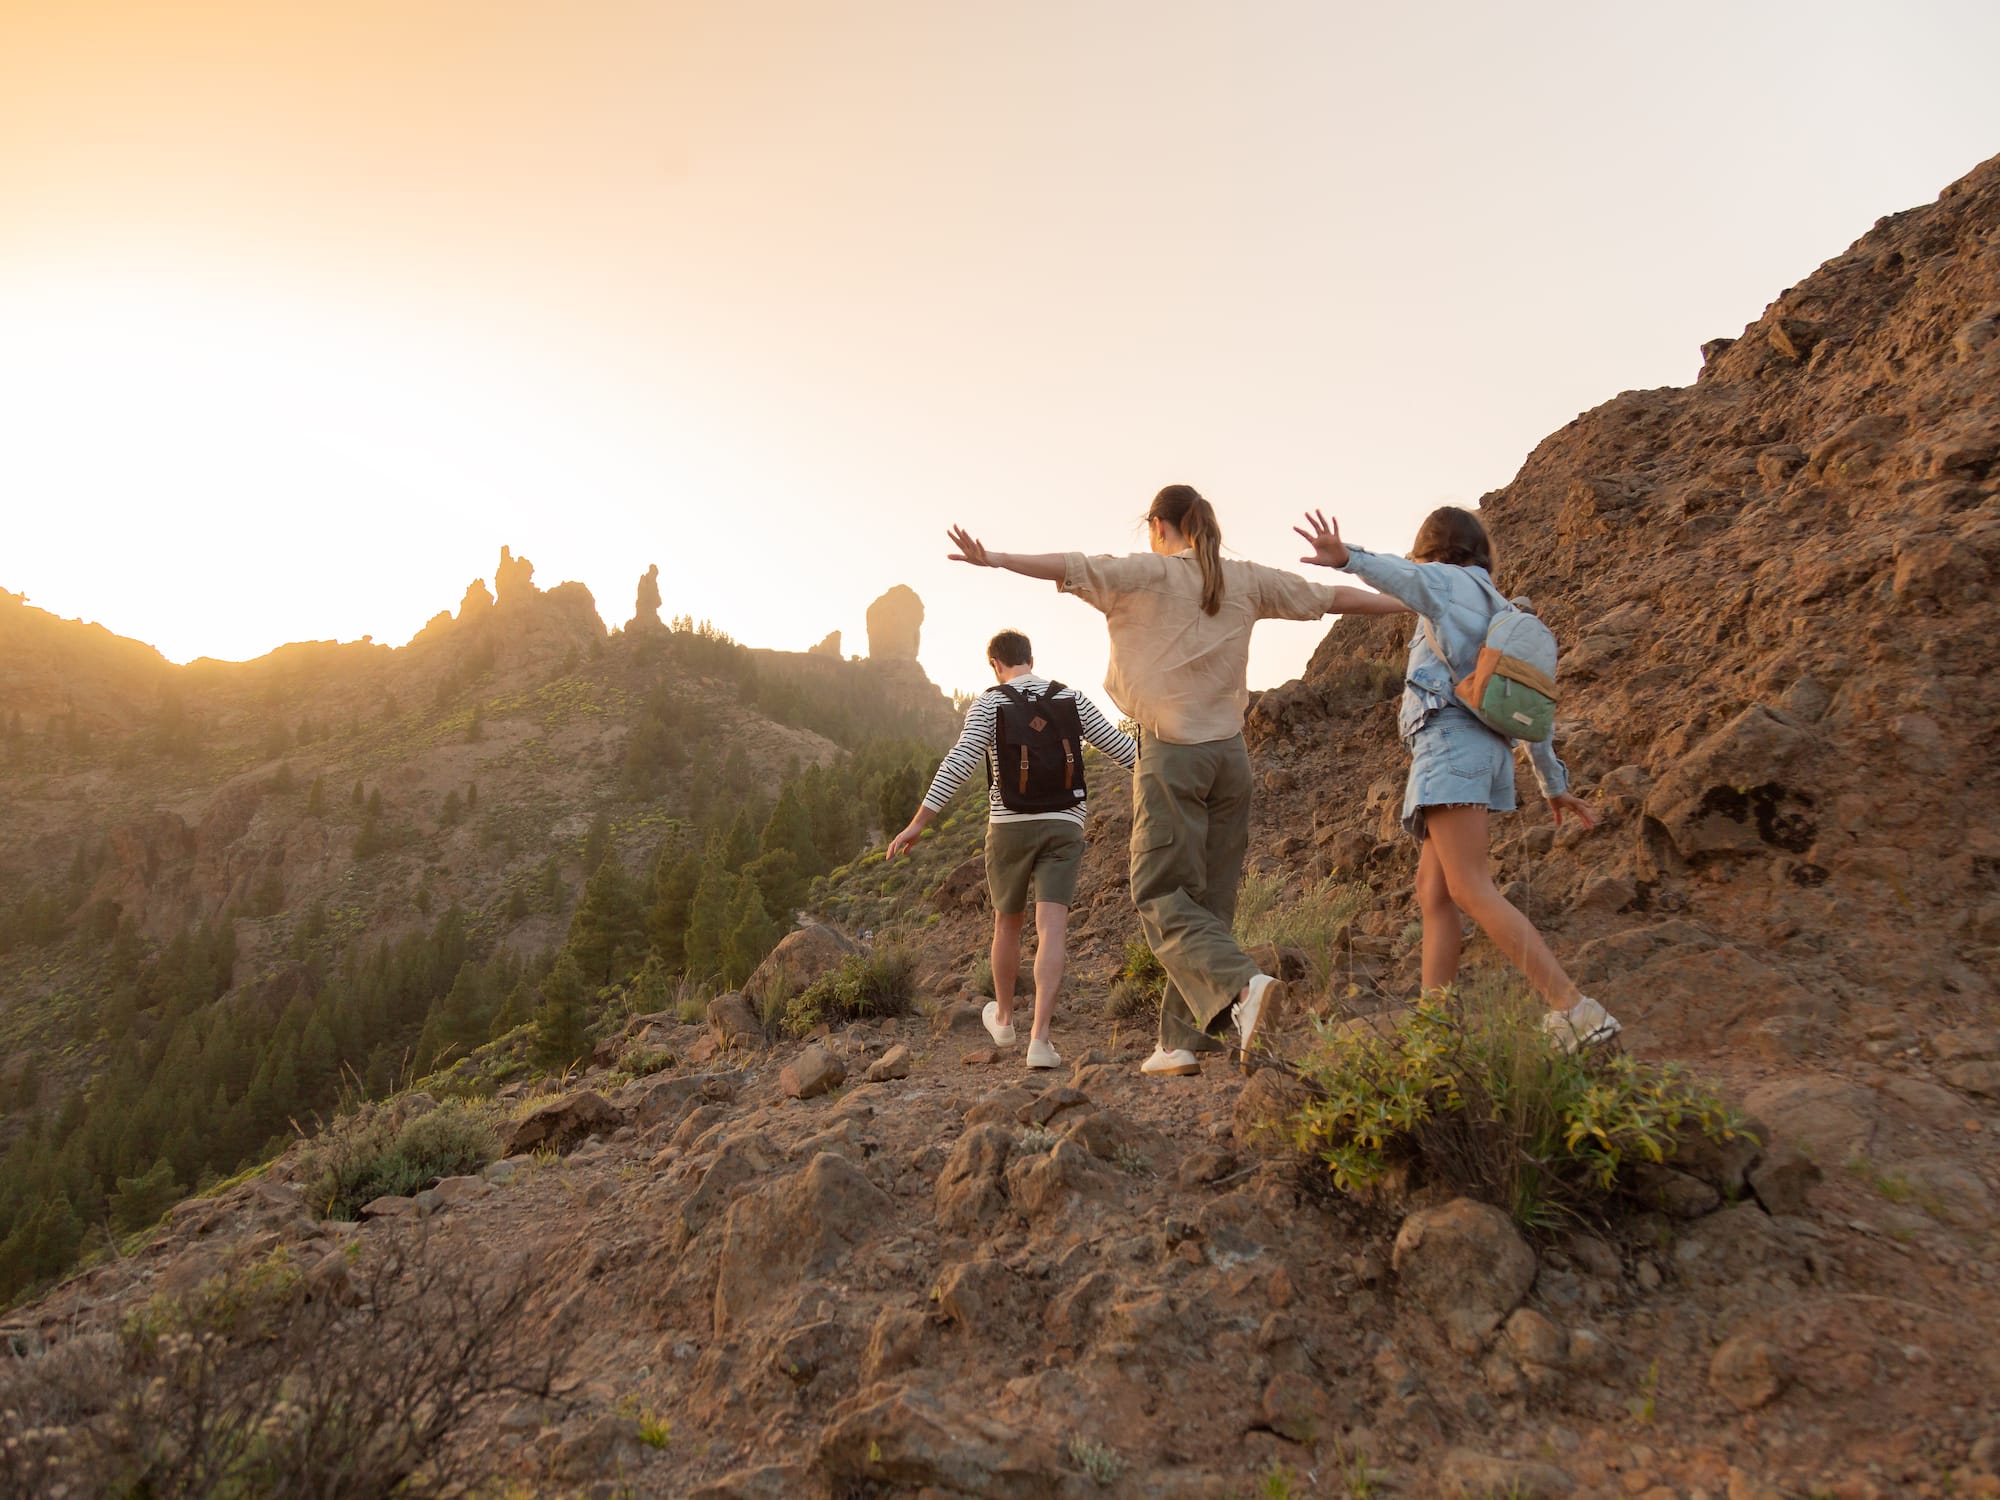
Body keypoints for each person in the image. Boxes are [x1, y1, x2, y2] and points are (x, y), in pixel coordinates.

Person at [943, 484, 1408, 1079]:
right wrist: (1417, 597)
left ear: (1159, 525)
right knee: (1208, 905)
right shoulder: (1244, 579)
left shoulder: (1145, 574)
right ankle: (1178, 1044)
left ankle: (1244, 988)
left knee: (1160, 895)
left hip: (1174, 753)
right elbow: (1333, 597)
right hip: (1231, 758)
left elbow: (1067, 565)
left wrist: (996, 559)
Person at [1295, 504, 1621, 1050]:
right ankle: (1436, 1033)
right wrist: (1552, 784)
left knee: (1470, 888)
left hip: (1449, 743)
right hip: (1484, 750)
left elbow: (1407, 576)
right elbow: (1529, 709)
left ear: (1434, 548)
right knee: (1434, 891)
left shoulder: (1446, 583)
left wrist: (1347, 557)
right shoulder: (1500, 606)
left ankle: (1575, 1009)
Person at [887, 630, 1136, 1070]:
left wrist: (918, 823)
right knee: (1052, 927)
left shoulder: (990, 702)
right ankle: (1040, 1040)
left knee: (1007, 925)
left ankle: (1003, 1020)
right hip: (1065, 823)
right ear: (1031, 659)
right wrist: (1178, 777)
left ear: (996, 665)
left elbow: (961, 760)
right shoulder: (1071, 697)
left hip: (1009, 827)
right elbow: (1123, 750)